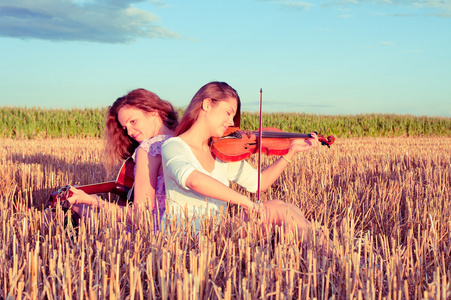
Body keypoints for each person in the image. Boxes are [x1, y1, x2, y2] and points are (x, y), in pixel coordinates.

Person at [161, 81, 326, 244]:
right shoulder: (174, 146)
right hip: (186, 238)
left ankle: (318, 249)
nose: (232, 122)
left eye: (233, 116)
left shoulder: (220, 151)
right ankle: (327, 250)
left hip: (217, 232)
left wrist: (291, 152)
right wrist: (246, 202)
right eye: (228, 112)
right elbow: (194, 180)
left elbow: (258, 183)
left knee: (281, 206)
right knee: (275, 210)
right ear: (207, 105)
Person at [63, 88, 178, 230]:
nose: (129, 132)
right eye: (125, 127)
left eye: (133, 121)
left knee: (62, 211)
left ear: (154, 112)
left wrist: (94, 201)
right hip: (185, 230)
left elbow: (142, 218)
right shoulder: (185, 140)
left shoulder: (149, 150)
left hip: (156, 233)